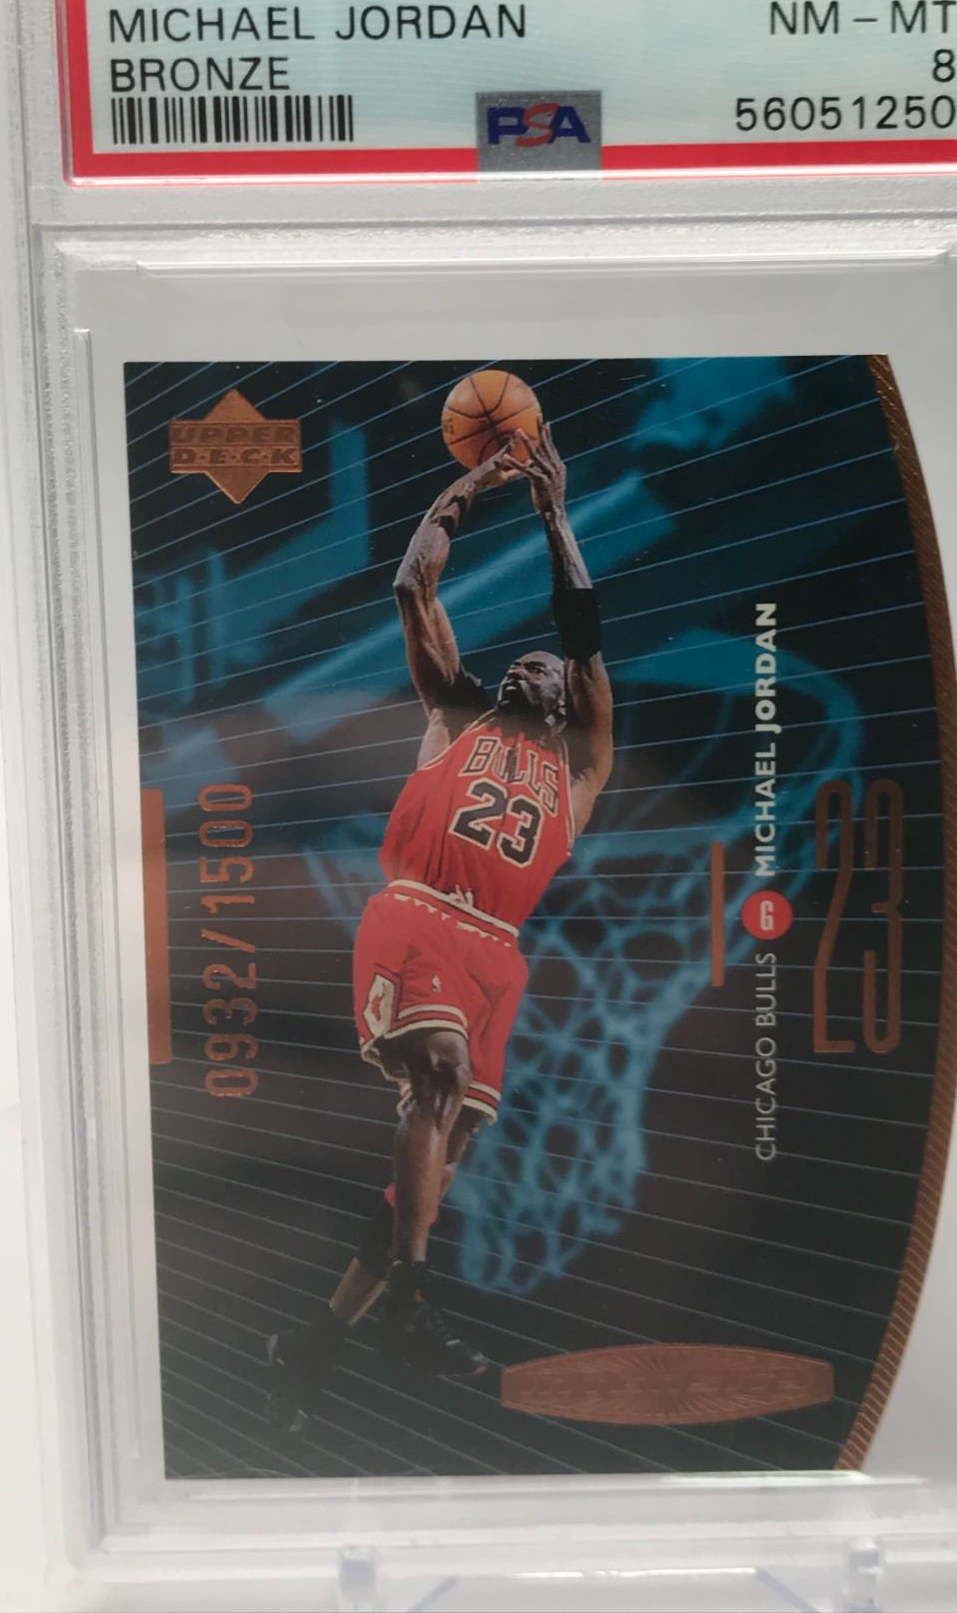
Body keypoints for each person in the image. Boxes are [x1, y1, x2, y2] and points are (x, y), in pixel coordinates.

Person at [267, 424, 613, 1425]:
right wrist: (473, 485)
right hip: (419, 913)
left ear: (565, 697)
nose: (526, 669)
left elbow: (582, 628)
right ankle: (412, 1302)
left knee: (441, 1160)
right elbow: (412, 585)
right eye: (521, 663)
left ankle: (318, 1340)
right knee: (440, 1078)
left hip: (497, 956)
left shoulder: (583, 765)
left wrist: (556, 515)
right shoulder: (457, 715)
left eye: (543, 668)